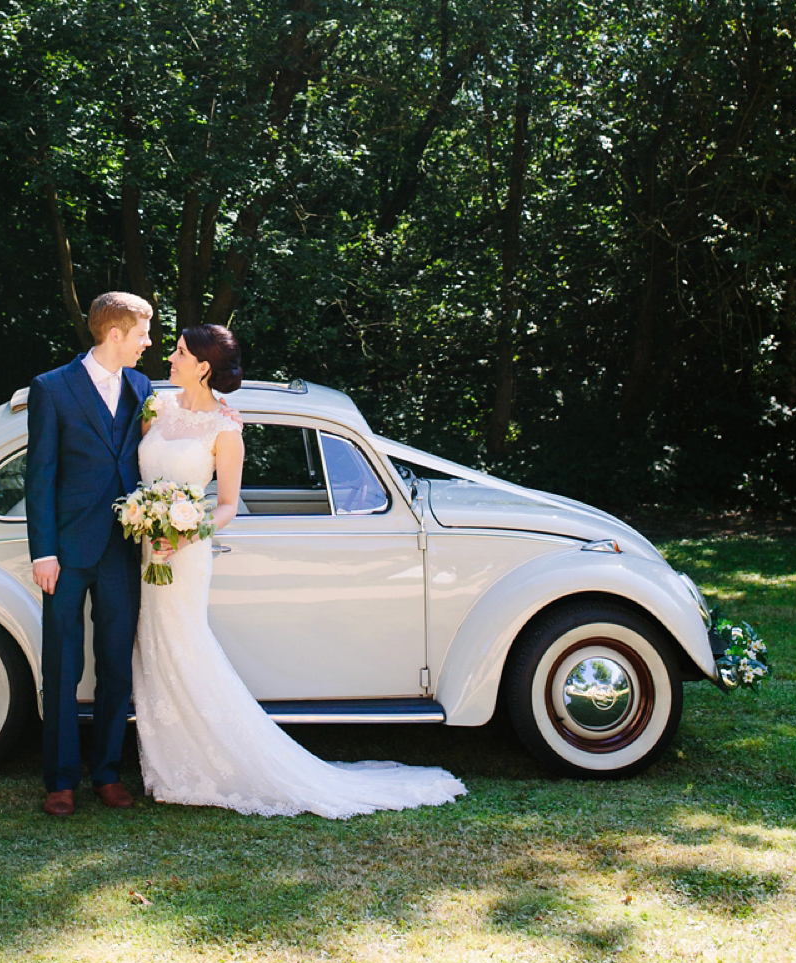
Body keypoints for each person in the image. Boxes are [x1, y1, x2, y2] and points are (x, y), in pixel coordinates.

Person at [132, 323, 467, 816]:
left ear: (203, 367)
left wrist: (185, 531)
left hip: (184, 552)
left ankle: (200, 764)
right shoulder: (156, 408)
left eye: (180, 353)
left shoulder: (226, 428)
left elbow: (225, 504)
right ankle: (167, 762)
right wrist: (146, 516)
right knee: (151, 648)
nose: (171, 358)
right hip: (143, 547)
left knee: (182, 645)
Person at [25, 291, 153, 817]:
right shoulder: (51, 389)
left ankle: (105, 772)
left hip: (123, 548)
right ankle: (59, 779)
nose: (149, 344)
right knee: (61, 664)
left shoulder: (143, 387)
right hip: (67, 552)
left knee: (117, 665)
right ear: (115, 334)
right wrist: (44, 552)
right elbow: (41, 476)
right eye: (142, 333)